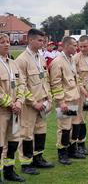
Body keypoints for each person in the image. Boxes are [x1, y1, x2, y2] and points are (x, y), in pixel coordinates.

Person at [16, 29, 54, 176]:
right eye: (39, 40)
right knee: (26, 134)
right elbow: (22, 85)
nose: (42, 43)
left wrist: (48, 99)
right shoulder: (22, 60)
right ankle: (26, 163)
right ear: (30, 40)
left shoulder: (40, 57)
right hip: (29, 105)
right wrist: (33, 102)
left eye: (43, 40)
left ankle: (38, 158)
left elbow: (46, 80)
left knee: (40, 131)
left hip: (42, 103)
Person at [49, 36, 85, 165]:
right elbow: (56, 83)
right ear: (66, 46)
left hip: (74, 98)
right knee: (64, 127)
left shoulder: (71, 60)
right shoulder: (57, 62)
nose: (77, 47)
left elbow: (76, 79)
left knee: (74, 125)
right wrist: (61, 101)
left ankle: (72, 149)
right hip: (66, 101)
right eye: (74, 45)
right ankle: (62, 152)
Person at [0, 33, 25, 182]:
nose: (6, 44)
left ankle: (9, 171)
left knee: (13, 141)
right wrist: (10, 103)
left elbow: (22, 83)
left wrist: (19, 102)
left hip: (15, 111)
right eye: (2, 42)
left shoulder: (13, 63)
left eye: (8, 41)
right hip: (2, 111)